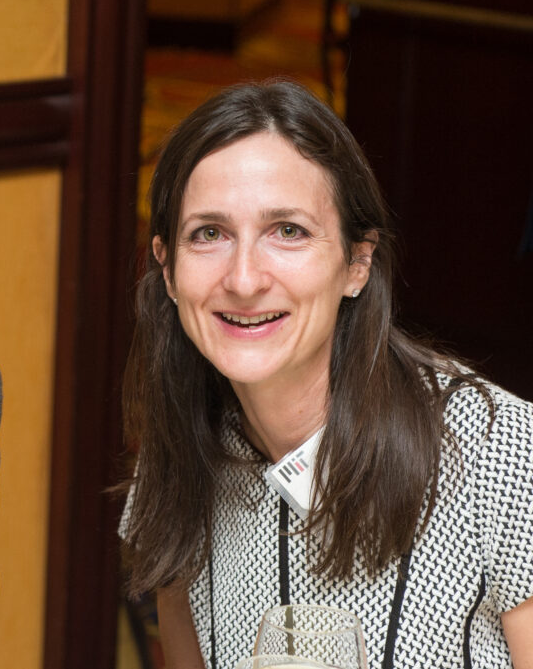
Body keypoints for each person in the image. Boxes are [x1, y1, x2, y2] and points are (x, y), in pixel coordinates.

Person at [120, 80, 533, 668]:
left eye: (288, 231)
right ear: (167, 269)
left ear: (357, 263)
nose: (244, 279)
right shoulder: (182, 451)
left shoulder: (498, 452)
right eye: (209, 234)